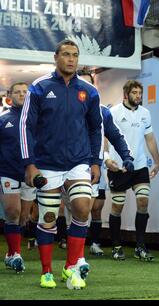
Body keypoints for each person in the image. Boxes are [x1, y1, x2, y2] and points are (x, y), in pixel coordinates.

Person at [20, 39, 103, 290]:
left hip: (78, 162)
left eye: (75, 55)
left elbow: (95, 128)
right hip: (47, 163)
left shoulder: (89, 91)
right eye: (66, 54)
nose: (71, 59)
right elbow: (26, 127)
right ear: (55, 57)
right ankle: (47, 272)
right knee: (48, 217)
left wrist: (96, 161)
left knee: (82, 208)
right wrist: (29, 164)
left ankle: (71, 267)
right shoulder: (39, 87)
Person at [76, 69, 134, 257]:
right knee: (67, 210)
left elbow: (115, 135)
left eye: (89, 84)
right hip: (68, 167)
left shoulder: (103, 112)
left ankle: (89, 246)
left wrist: (126, 155)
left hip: (94, 167)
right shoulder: (67, 108)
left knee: (91, 208)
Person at [107, 80, 159, 261]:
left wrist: (157, 161)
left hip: (139, 166)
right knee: (117, 206)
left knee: (143, 202)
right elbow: (104, 140)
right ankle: (116, 246)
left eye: (140, 93)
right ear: (126, 94)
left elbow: (150, 139)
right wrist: (107, 159)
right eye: (135, 93)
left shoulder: (145, 113)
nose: (138, 96)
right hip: (119, 167)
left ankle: (140, 246)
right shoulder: (113, 112)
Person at [0, 82, 37, 273]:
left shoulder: (36, 120)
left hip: (29, 174)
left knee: (23, 217)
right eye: (18, 92)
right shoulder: (3, 119)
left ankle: (10, 254)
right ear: (10, 95)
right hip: (7, 172)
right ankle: (15, 254)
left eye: (25, 92)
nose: (22, 95)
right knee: (12, 212)